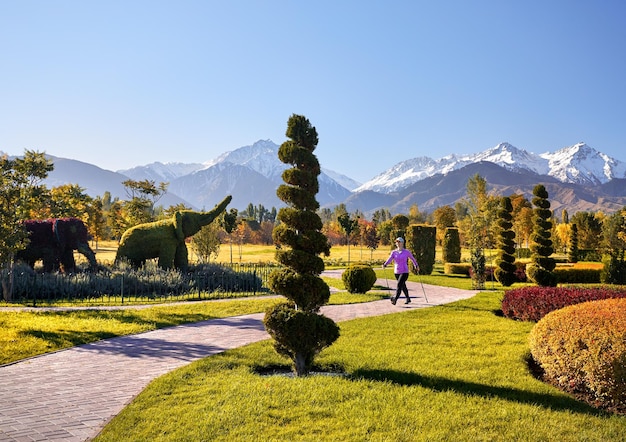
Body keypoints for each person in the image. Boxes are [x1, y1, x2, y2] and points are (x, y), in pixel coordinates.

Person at [382, 237, 419, 305]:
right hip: (396, 272)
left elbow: (412, 259)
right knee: (402, 286)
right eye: (397, 242)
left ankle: (395, 299)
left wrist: (416, 265)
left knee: (399, 284)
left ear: (402, 243)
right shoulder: (394, 252)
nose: (398, 243)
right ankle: (408, 298)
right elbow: (389, 259)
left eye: (399, 242)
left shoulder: (406, 252)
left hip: (404, 271)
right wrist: (385, 264)